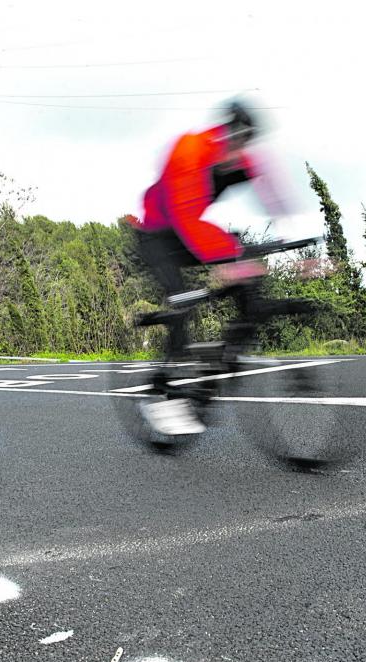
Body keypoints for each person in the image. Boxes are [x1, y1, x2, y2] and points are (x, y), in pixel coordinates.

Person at [132, 99, 293, 436]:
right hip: (159, 233)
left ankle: (224, 358)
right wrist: (229, 259)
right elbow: (186, 219)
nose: (240, 151)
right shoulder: (189, 151)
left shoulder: (243, 157)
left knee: (248, 278)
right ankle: (166, 392)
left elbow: (273, 193)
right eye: (235, 141)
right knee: (184, 301)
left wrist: (296, 239)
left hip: (192, 228)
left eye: (246, 142)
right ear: (223, 133)